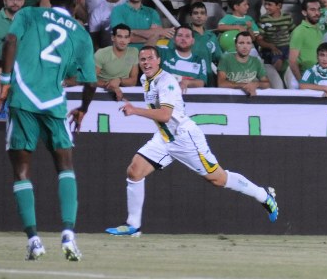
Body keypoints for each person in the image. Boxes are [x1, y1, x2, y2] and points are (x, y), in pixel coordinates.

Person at [105, 44, 278, 237]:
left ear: (159, 59)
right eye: (143, 59)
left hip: (184, 138)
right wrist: (116, 85)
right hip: (164, 138)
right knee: (135, 171)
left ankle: (264, 195)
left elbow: (165, 114)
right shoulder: (146, 78)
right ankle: (133, 226)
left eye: (150, 58)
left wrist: (135, 110)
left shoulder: (166, 81)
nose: (146, 63)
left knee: (218, 179)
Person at [0, 0, 97, 261]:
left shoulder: (28, 14)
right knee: (65, 167)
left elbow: (10, 40)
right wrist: (83, 109)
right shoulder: (80, 34)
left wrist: (5, 82)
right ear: (76, 4)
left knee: (21, 172)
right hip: (54, 103)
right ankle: (68, 234)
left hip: (22, 99)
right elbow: (91, 82)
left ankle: (34, 240)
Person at [94, 23, 139, 101]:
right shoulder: (101, 53)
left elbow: (133, 81)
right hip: (101, 92)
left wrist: (119, 80)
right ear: (113, 38)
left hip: (125, 92)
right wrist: (111, 85)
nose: (123, 40)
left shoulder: (134, 52)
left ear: (129, 39)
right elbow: (91, 80)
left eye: (126, 37)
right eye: (119, 36)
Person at [288, 0, 324, 88]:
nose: (317, 13)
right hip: (303, 79)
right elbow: (292, 61)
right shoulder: (299, 31)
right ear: (304, 12)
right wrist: (301, 82)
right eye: (312, 10)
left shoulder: (318, 30)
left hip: (316, 78)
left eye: (318, 10)